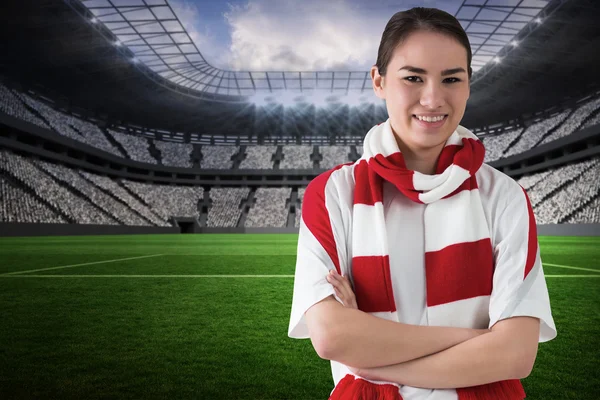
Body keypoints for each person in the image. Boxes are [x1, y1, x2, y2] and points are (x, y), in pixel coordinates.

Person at [287, 6, 557, 400]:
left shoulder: (505, 197)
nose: (432, 99)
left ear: (468, 85)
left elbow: (516, 354)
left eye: (451, 78)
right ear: (378, 81)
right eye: (413, 77)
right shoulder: (332, 194)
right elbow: (332, 337)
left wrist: (369, 354)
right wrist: (481, 339)